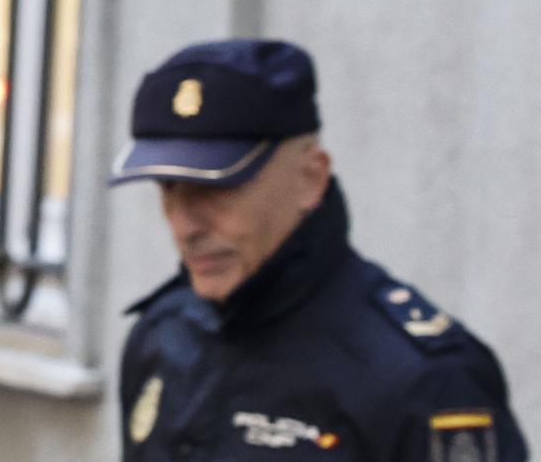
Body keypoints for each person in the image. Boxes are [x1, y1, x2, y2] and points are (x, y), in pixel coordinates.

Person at [111, 40, 527, 461]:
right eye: (169, 189)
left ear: (311, 178)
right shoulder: (163, 334)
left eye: (215, 190)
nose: (186, 226)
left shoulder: (424, 377)